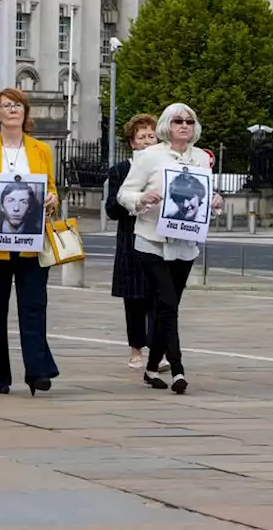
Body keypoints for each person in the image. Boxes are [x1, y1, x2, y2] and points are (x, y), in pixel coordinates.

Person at [117, 102, 222, 395]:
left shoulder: (201, 158)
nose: (184, 125)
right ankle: (177, 369)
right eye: (178, 121)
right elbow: (124, 193)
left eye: (189, 121)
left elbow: (206, 195)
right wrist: (142, 198)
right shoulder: (150, 156)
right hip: (151, 240)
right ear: (167, 125)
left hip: (184, 242)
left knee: (168, 305)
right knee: (167, 302)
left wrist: (216, 203)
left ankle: (152, 369)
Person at [0, 88, 60, 396]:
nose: (13, 110)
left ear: (25, 113)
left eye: (18, 105)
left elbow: (51, 189)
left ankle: (38, 371)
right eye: (6, 106)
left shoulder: (41, 150)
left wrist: (52, 200)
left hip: (31, 243)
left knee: (33, 307)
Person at [106, 113, 169, 371]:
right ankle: (135, 349)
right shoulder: (120, 171)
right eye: (141, 137)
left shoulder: (165, 167)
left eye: (151, 136)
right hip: (130, 241)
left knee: (159, 297)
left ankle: (159, 351)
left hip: (157, 239)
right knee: (134, 299)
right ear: (132, 142)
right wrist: (136, 201)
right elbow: (111, 209)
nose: (146, 141)